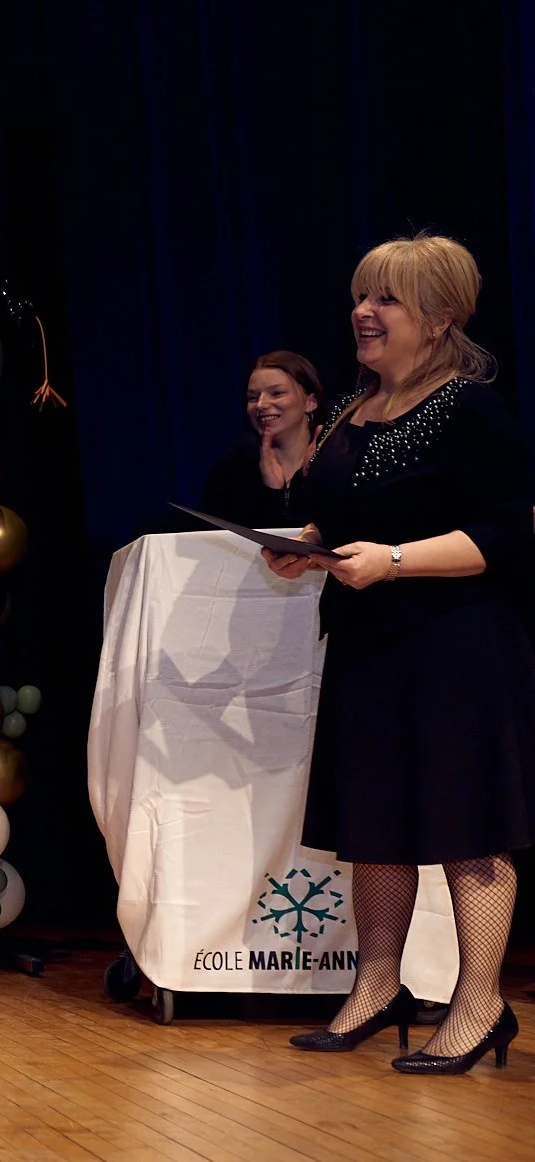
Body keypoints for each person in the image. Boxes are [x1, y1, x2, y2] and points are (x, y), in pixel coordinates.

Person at [266, 232, 534, 1074]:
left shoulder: (469, 407)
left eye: (386, 298)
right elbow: (348, 514)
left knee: (468, 824)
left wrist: (393, 559)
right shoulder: (355, 409)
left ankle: (480, 1002)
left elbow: (508, 532)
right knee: (374, 823)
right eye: (362, 295)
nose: (364, 311)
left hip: (456, 648)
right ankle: (377, 987)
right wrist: (307, 544)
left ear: (440, 316)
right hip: (370, 647)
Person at [203, 350, 326, 528]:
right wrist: (271, 493)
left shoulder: (335, 465)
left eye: (277, 393)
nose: (261, 405)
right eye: (253, 398)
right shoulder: (230, 472)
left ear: (311, 402)